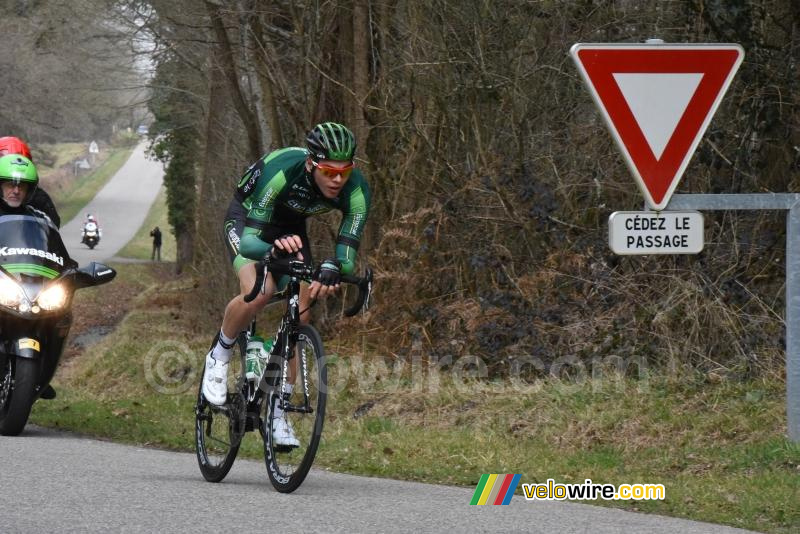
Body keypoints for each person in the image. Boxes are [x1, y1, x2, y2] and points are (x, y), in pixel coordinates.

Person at [203, 122, 371, 447]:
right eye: (328, 171)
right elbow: (252, 242)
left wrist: (332, 267)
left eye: (344, 171)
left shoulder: (357, 190)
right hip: (248, 220)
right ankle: (219, 355)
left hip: (292, 229)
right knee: (260, 292)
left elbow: (347, 254)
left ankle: (278, 413)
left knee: (300, 317)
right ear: (311, 164)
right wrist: (273, 250)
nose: (337, 179)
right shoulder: (282, 171)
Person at [0, 136, 61, 228]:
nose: (16, 191)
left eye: (22, 185)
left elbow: (52, 230)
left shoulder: (39, 199)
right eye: (10, 184)